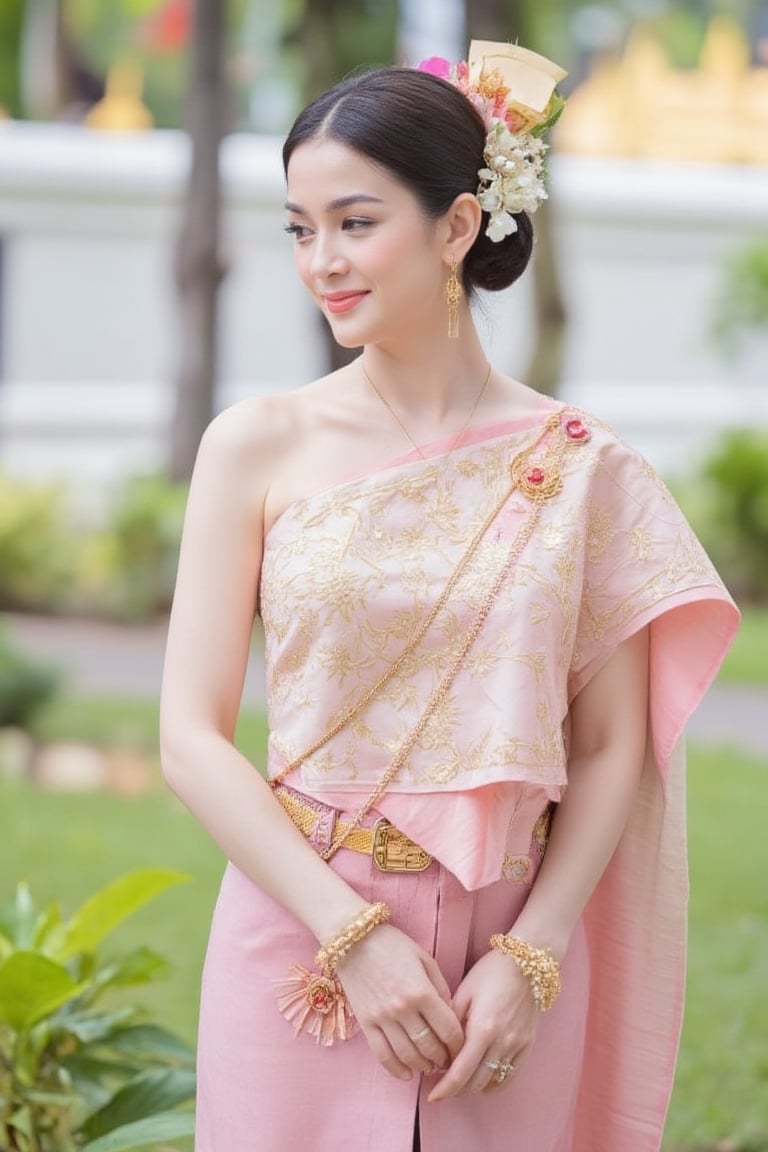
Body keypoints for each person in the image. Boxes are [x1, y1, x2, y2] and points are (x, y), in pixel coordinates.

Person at [159, 41, 739, 1152]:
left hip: (506, 954)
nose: (321, 259)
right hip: (300, 928)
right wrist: (352, 936)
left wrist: (537, 954)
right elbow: (190, 738)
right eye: (299, 226)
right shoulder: (255, 446)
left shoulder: (582, 468)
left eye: (356, 221)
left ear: (460, 227)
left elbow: (612, 744)